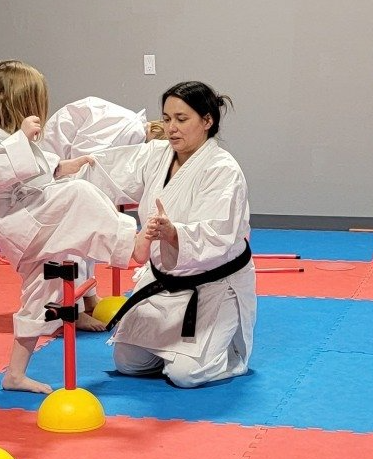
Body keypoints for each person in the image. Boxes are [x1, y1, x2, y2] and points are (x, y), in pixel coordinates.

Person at [0, 59, 151, 394]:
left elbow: (31, 166)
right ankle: (129, 245)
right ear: (16, 101)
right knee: (79, 194)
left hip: (26, 218)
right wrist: (22, 139)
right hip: (18, 219)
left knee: (43, 288)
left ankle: (15, 374)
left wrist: (61, 166)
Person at [76, 81, 256, 388]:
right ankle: (175, 351)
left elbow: (218, 235)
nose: (171, 128)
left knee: (185, 375)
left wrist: (174, 233)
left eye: (181, 119)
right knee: (128, 363)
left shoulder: (222, 170)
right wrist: (67, 173)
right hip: (164, 281)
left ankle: (223, 350)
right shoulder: (157, 155)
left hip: (211, 287)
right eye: (167, 118)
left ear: (207, 121)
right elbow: (109, 172)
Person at [42, 97, 166, 331]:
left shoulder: (131, 128)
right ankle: (74, 310)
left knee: (90, 235)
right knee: (77, 238)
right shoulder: (129, 132)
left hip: (64, 164)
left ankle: (88, 298)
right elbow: (87, 165)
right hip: (54, 169)